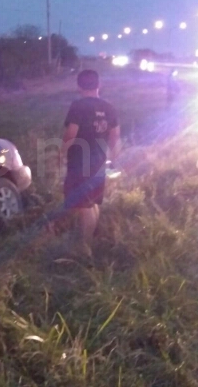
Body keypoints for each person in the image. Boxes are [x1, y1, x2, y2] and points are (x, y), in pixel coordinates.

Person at [61, 69, 120, 256]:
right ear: (98, 85)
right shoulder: (109, 106)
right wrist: (109, 153)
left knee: (84, 204)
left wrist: (61, 153)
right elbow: (115, 134)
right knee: (93, 202)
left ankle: (85, 248)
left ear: (79, 86)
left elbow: (71, 133)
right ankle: (90, 238)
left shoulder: (78, 106)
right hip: (99, 159)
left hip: (80, 161)